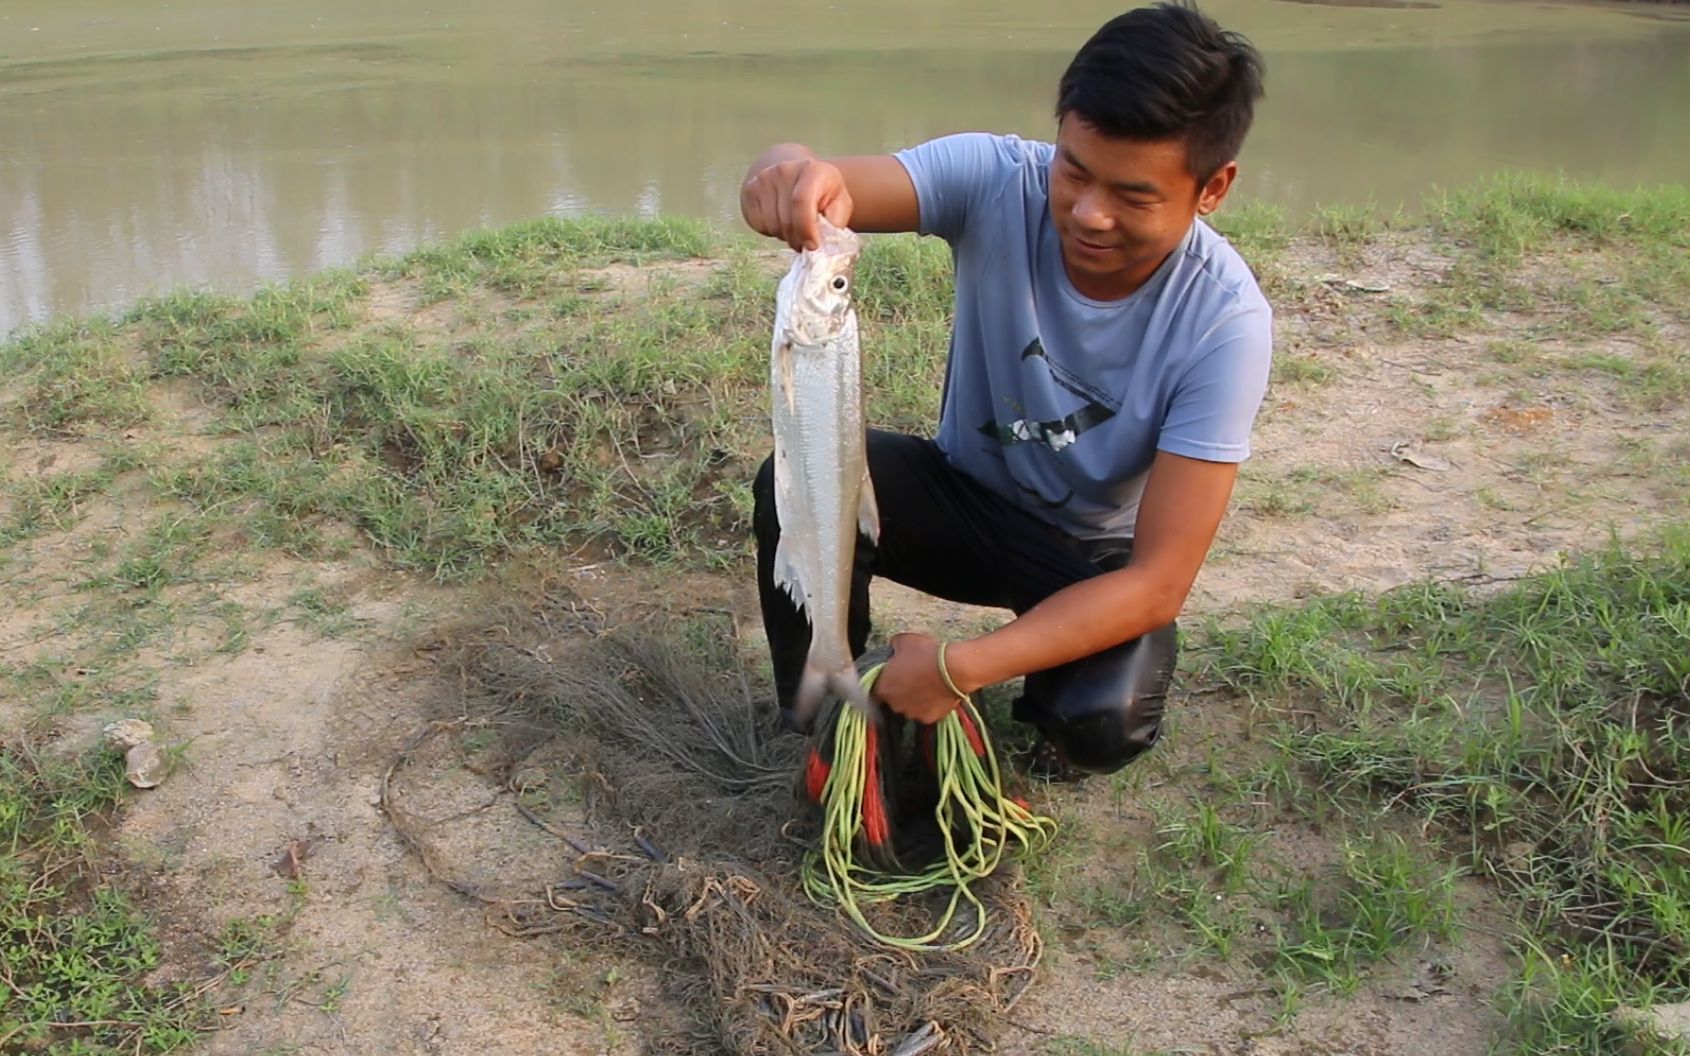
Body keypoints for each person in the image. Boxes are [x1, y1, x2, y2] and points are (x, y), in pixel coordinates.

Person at [741, 1, 1271, 778]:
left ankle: (1044, 708)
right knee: (786, 487)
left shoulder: (1226, 322)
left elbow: (1158, 583)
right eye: (1075, 170)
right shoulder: (996, 179)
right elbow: (827, 183)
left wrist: (962, 667)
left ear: (1212, 187)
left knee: (1101, 720)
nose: (1089, 214)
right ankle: (821, 707)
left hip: (1087, 559)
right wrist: (789, 172)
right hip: (962, 499)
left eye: (1134, 196)